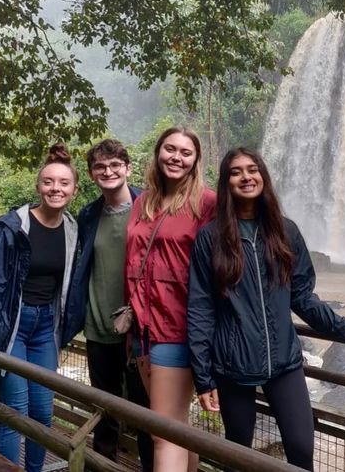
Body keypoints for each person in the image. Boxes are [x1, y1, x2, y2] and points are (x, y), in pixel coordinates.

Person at [187, 147, 345, 471]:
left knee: (301, 450)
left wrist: (341, 327)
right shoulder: (210, 239)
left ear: (263, 177)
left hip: (284, 363)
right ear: (227, 182)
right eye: (236, 171)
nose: (246, 177)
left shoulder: (285, 231)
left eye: (253, 169)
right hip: (233, 367)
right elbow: (201, 309)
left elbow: (302, 295)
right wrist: (204, 378)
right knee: (238, 454)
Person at [0, 143, 82, 472]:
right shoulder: (12, 228)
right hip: (11, 325)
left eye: (64, 183)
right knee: (15, 410)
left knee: (42, 412)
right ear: (38, 186)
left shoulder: (71, 229)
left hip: (45, 329)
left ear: (74, 189)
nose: (56, 188)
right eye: (49, 182)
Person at [126, 126, 216, 472]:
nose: (176, 157)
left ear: (195, 161)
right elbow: (131, 264)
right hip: (142, 328)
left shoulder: (206, 203)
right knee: (177, 428)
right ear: (158, 152)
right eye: (170, 149)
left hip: (179, 328)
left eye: (185, 152)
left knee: (163, 434)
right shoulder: (142, 202)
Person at [64, 139, 153, 471]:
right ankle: (101, 466)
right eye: (100, 167)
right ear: (91, 174)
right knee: (104, 409)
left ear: (128, 169)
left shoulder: (149, 206)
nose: (108, 171)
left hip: (141, 330)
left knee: (145, 412)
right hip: (99, 326)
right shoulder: (89, 214)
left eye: (115, 165)